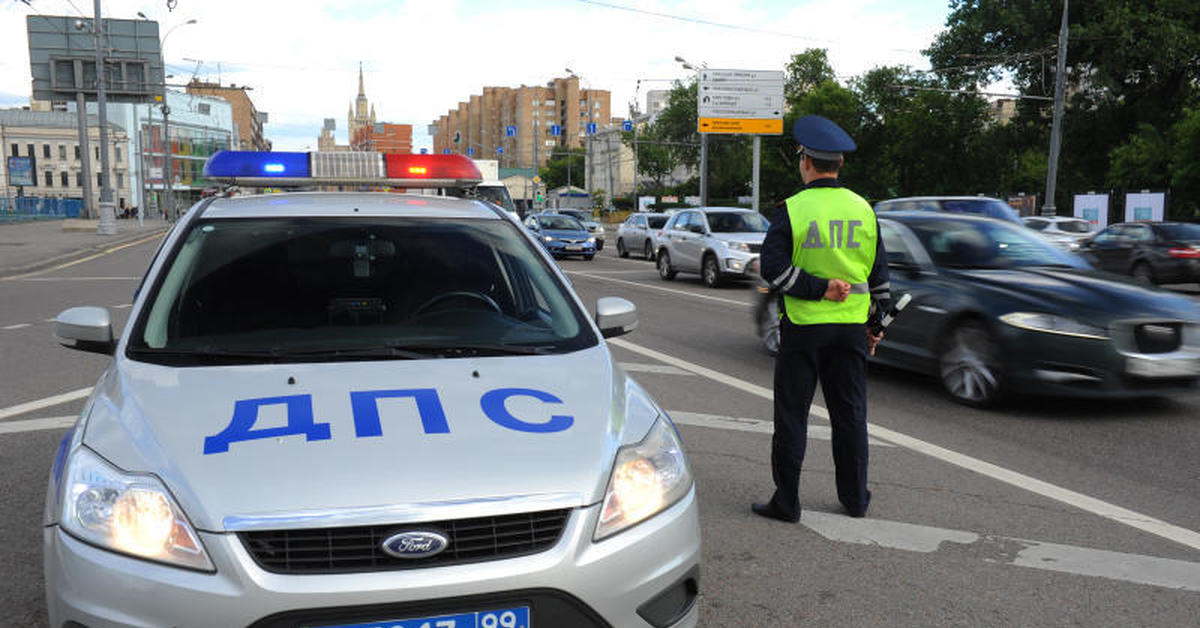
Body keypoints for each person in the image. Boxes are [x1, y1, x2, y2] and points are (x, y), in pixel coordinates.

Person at [752, 114, 891, 523]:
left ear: (806, 162)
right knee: (851, 417)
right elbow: (879, 277)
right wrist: (877, 325)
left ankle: (787, 503)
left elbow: (772, 270)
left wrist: (818, 288)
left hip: (804, 329)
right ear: (840, 164)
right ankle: (855, 500)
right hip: (851, 331)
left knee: (792, 416)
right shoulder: (863, 209)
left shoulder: (793, 209)